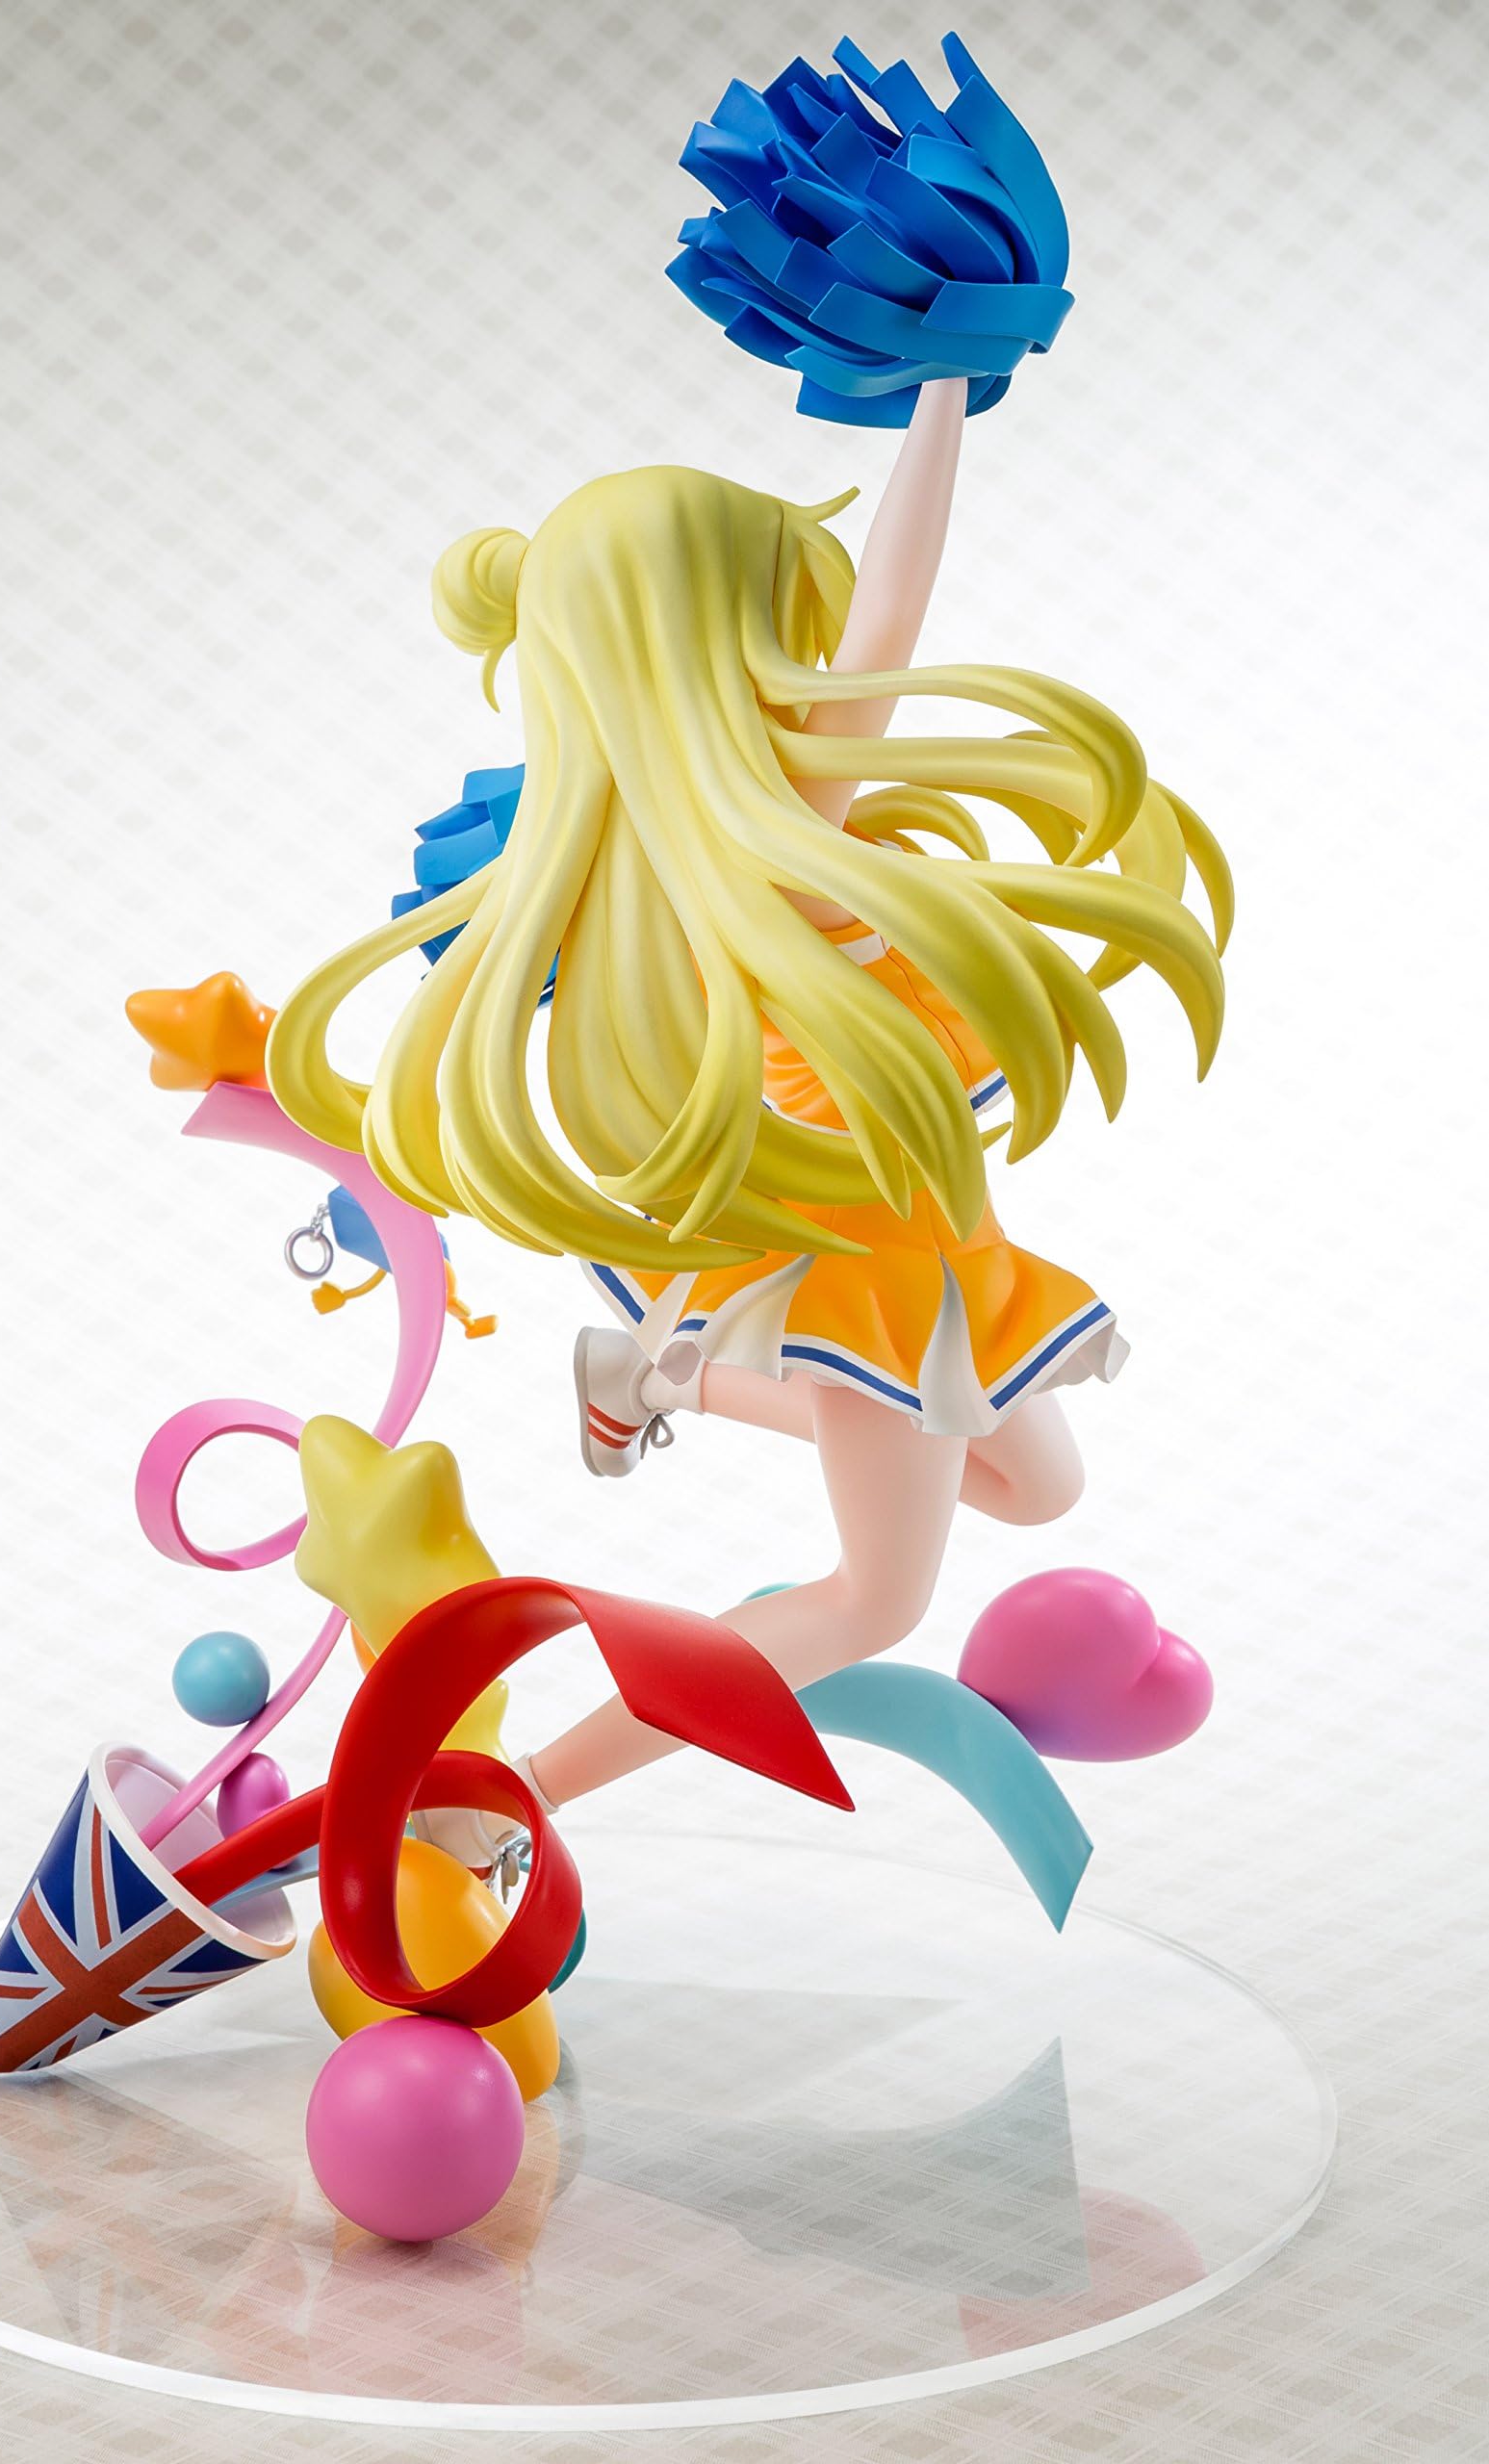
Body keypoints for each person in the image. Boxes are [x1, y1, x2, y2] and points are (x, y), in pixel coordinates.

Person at [144, 377, 1229, 1861]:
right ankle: (504, 1801)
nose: (815, 653)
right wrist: (940, 397)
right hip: (872, 1267)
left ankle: (665, 1372)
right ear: (706, 641)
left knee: (1038, 1489)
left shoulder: (689, 837)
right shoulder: (776, 836)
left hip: (933, 1232)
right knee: (870, 1602)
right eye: (777, 614)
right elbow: (893, 612)